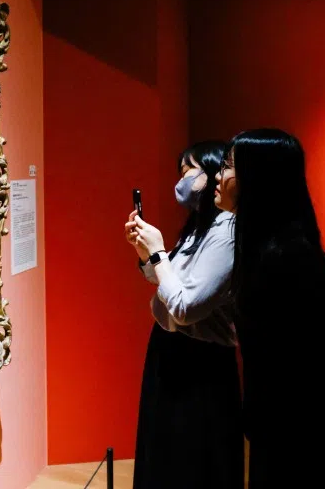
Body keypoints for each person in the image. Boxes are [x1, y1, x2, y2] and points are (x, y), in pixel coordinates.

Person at [215, 129, 325, 488]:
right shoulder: (270, 246)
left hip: (303, 433)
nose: (218, 175)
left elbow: (306, 360)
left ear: (257, 178)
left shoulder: (285, 255)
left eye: (229, 165)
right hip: (287, 428)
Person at [124, 141, 243, 489]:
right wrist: (146, 253)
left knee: (191, 461)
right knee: (165, 453)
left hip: (199, 361)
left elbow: (184, 307)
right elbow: (168, 282)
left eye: (187, 171)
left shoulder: (226, 233)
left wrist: (159, 253)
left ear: (208, 175)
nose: (182, 181)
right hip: (172, 348)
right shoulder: (198, 226)